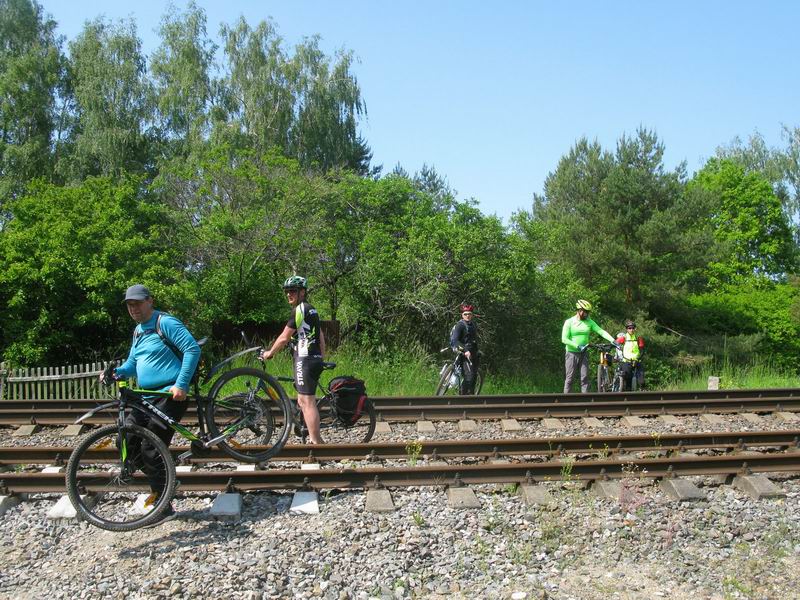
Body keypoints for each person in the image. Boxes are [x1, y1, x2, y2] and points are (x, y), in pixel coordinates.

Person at [108, 284, 201, 520]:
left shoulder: (165, 323)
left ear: (150, 301)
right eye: (130, 305)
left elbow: (191, 350)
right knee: (124, 442)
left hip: (169, 396)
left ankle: (164, 504)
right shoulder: (138, 330)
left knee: (151, 448)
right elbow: (132, 364)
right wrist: (116, 372)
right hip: (144, 398)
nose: (134, 308)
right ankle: (166, 479)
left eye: (138, 303)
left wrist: (181, 384)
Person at [260, 276, 326, 444]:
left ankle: (317, 442)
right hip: (312, 358)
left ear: (302, 292)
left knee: (307, 402)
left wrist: (270, 353)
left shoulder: (299, 310)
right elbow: (320, 336)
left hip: (305, 359)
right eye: (287, 291)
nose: (289, 294)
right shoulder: (311, 310)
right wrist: (320, 357)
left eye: (293, 291)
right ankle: (309, 435)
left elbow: (284, 337)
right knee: (302, 401)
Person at [562, 300, 617, 393]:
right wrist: (577, 346)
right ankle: (565, 401)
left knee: (585, 378)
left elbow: (601, 331)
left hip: (584, 353)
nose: (587, 314)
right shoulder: (569, 322)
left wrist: (613, 340)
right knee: (570, 378)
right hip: (571, 353)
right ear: (580, 311)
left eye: (588, 312)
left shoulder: (589, 322)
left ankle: (585, 402)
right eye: (586, 312)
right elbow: (564, 339)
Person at [449, 303, 480, 394]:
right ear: (462, 315)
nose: (467, 316)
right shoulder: (460, 325)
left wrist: (477, 351)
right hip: (463, 353)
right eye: (465, 314)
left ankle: (471, 397)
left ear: (472, 315)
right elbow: (455, 340)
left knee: (474, 376)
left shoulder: (473, 324)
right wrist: (465, 351)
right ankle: (463, 398)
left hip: (473, 352)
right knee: (469, 376)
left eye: (469, 314)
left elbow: (473, 340)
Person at [615, 320, 645, 390]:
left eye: (633, 328)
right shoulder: (624, 337)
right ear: (627, 329)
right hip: (627, 361)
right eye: (629, 328)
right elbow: (615, 343)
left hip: (636, 361)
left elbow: (642, 350)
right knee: (628, 379)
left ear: (635, 329)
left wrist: (638, 359)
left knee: (642, 381)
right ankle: (627, 393)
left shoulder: (638, 338)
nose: (631, 330)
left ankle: (643, 390)